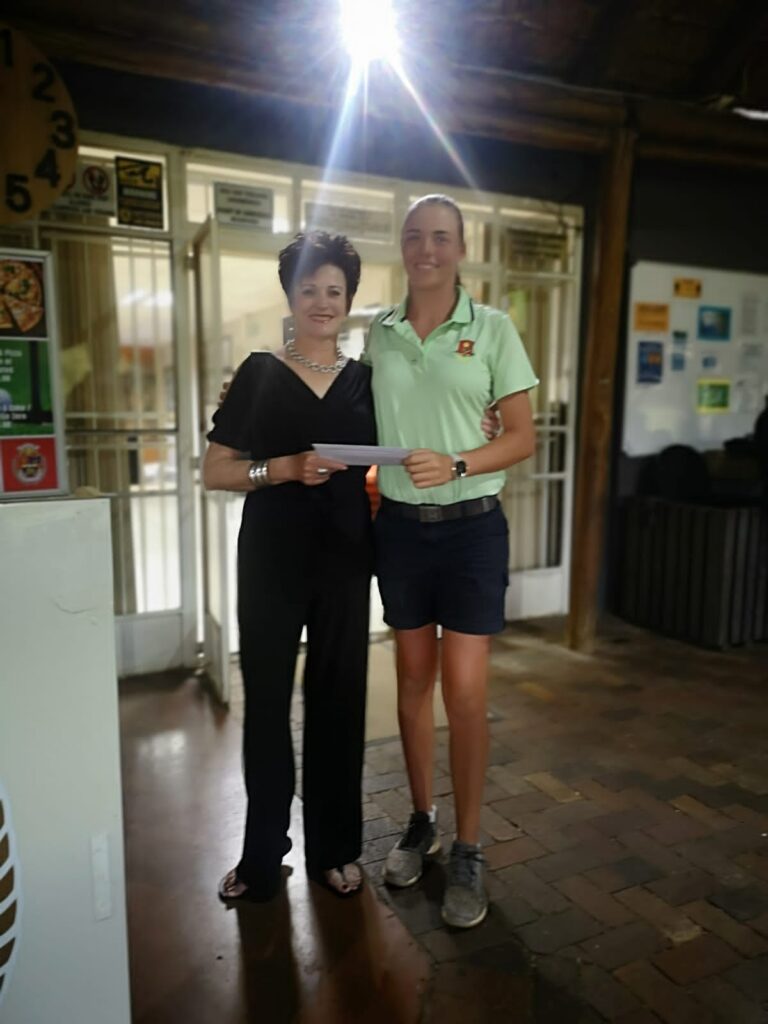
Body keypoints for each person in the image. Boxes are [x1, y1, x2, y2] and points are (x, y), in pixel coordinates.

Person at [365, 194, 538, 929]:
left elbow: (522, 436)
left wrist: (461, 460)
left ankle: (469, 846)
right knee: (412, 683)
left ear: (461, 248)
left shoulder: (492, 328)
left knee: (464, 694)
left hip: (472, 532)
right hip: (401, 531)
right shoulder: (379, 332)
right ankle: (421, 821)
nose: (426, 249)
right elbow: (349, 410)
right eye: (414, 236)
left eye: (440, 237)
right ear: (402, 246)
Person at [203, 231, 376, 901]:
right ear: (290, 295)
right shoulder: (259, 372)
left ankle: (335, 848)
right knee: (268, 703)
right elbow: (215, 470)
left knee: (340, 701)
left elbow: (409, 445)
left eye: (335, 290)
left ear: (349, 299)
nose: (322, 301)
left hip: (345, 560)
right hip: (272, 558)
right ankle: (260, 854)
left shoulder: (368, 380)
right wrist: (282, 468)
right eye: (310, 289)